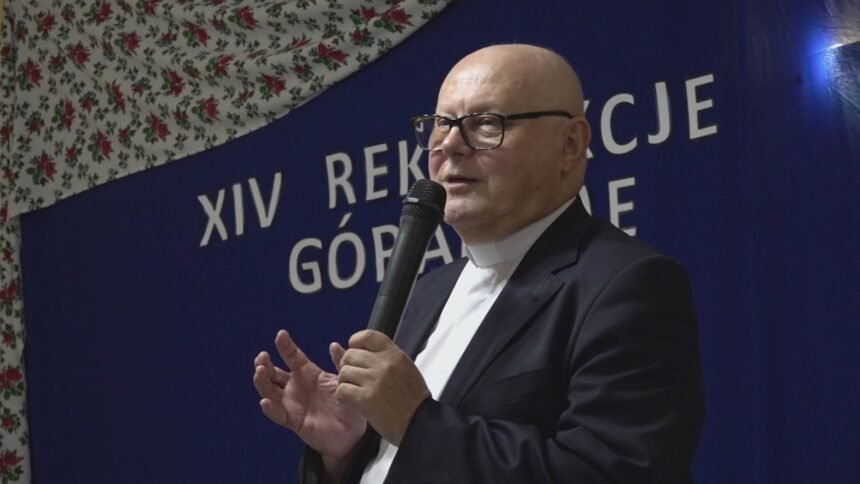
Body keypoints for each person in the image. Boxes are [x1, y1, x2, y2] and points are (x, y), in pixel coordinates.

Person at [253, 44, 704, 483]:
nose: (450, 145)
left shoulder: (626, 285)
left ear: (570, 145)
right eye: (441, 124)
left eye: (486, 124)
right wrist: (347, 452)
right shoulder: (428, 291)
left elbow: (614, 472)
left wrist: (416, 422)